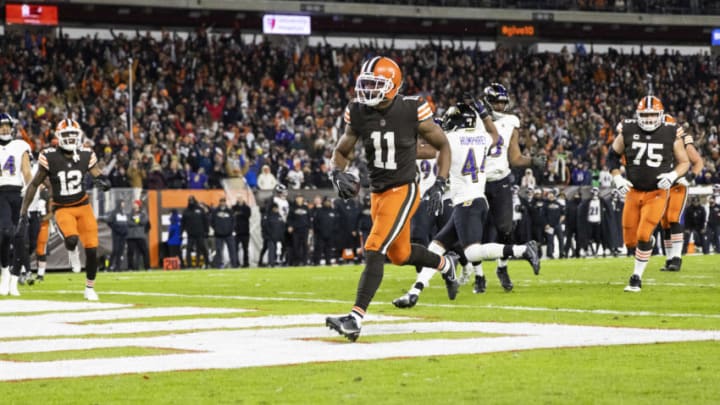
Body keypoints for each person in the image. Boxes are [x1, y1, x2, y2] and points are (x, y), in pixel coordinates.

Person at [326, 56, 472, 342]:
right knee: (400, 254)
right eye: (364, 83)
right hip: (378, 192)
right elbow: (342, 151)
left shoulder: (411, 108)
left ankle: (355, 318)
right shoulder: (357, 111)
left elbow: (442, 145)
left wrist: (440, 183)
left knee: (374, 246)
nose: (367, 90)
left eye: (374, 84)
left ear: (391, 86)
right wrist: (336, 172)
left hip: (404, 188)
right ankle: (447, 264)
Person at [391, 103, 540, 308]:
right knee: (436, 247)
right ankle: (414, 292)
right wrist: (486, 115)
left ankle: (523, 250)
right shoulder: (482, 137)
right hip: (477, 200)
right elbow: (495, 136)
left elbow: (421, 151)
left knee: (471, 252)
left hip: (466, 203)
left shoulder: (450, 140)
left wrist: (398, 138)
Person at [19, 118, 111, 300]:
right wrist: (24, 210)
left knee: (92, 248)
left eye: (73, 135)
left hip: (83, 206)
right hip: (63, 208)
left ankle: (89, 288)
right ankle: (72, 251)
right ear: (59, 137)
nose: (70, 138)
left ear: (79, 136)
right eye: (66, 135)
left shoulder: (86, 154)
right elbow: (34, 184)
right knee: (71, 239)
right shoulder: (49, 156)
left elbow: (97, 174)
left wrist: (103, 181)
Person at [609, 96, 689, 292]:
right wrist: (617, 177)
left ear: (661, 115)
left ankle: (636, 278)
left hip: (657, 192)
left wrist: (672, 175)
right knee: (630, 241)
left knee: (644, 234)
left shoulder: (670, 132)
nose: (649, 119)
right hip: (633, 191)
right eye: (645, 115)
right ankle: (648, 244)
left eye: (653, 114)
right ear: (638, 115)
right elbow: (612, 156)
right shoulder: (627, 129)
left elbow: (684, 162)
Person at [473, 83, 546, 291]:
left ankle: (502, 267)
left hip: (501, 179)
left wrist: (532, 161)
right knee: (474, 232)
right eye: (496, 101)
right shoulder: (474, 121)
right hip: (477, 181)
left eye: (503, 102)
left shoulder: (510, 122)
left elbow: (514, 158)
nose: (500, 106)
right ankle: (479, 276)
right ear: (487, 102)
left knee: (505, 228)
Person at [659, 117, 704, 271]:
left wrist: (690, 177)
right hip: (661, 186)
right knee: (664, 223)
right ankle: (669, 258)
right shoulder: (652, 138)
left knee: (673, 218)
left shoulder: (682, 138)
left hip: (678, 184)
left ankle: (677, 258)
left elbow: (698, 161)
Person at [0, 113, 32, 296]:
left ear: (11, 127)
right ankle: (5, 271)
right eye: (1, 126)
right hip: (0, 193)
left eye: (6, 125)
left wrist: (31, 189)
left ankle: (13, 280)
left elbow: (26, 171)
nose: (4, 128)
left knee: (20, 238)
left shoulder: (20, 146)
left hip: (18, 193)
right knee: (5, 233)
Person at [182, 196, 209, 268]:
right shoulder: (186, 211)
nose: (191, 202)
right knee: (188, 250)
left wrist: (206, 231)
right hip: (190, 235)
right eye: (190, 201)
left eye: (192, 201)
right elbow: (183, 223)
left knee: (203, 249)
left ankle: (207, 263)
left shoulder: (200, 210)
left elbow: (205, 221)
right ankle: (189, 265)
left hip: (200, 234)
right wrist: (181, 232)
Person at [211, 197, 239, 268]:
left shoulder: (230, 211)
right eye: (221, 201)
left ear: (225, 202)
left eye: (224, 201)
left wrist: (231, 230)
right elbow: (211, 221)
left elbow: (234, 221)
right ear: (219, 202)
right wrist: (216, 229)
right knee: (219, 251)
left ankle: (234, 265)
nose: (222, 203)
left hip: (229, 234)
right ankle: (219, 265)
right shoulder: (215, 211)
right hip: (218, 235)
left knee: (232, 250)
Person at [312, 197, 338, 265]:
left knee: (329, 249)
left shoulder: (333, 211)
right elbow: (315, 222)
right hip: (320, 234)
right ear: (323, 202)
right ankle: (316, 262)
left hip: (330, 234)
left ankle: (328, 261)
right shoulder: (319, 211)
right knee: (319, 249)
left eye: (329, 201)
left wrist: (333, 231)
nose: (327, 203)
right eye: (326, 201)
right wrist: (318, 231)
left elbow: (336, 223)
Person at [126, 200, 150, 270]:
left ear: (139, 205)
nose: (134, 205)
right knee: (130, 252)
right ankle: (130, 268)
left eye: (135, 203)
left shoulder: (143, 213)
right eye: (134, 204)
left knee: (145, 251)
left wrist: (136, 221)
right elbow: (128, 222)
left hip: (140, 235)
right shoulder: (129, 213)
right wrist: (137, 223)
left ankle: (147, 267)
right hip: (131, 236)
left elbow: (144, 222)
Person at [287, 195, 310, 266]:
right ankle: (296, 261)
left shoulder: (306, 208)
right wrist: (290, 226)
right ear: (296, 199)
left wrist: (310, 227)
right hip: (296, 230)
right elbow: (289, 218)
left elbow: (309, 218)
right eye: (298, 198)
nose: (299, 199)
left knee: (305, 246)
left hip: (305, 229)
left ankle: (305, 261)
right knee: (296, 246)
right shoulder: (292, 208)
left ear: (303, 199)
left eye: (300, 198)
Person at [107, 200, 129, 271]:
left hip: (123, 235)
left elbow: (126, 223)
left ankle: (118, 267)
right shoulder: (114, 212)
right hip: (116, 235)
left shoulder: (124, 213)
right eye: (122, 202)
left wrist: (125, 231)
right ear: (119, 203)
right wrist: (115, 228)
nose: (124, 204)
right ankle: (109, 267)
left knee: (121, 251)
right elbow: (109, 221)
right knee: (115, 250)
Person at [232, 197, 251, 268]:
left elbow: (247, 216)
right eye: (238, 198)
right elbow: (232, 215)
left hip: (245, 231)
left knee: (245, 249)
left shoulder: (247, 208)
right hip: (236, 231)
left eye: (240, 198)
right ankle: (236, 263)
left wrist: (239, 213)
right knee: (235, 248)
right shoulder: (234, 207)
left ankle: (246, 263)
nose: (239, 200)